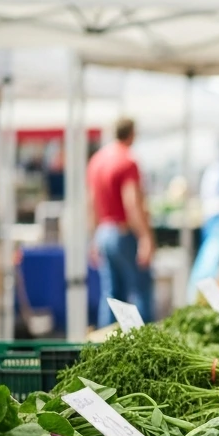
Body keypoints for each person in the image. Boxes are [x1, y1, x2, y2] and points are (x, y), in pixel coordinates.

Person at [87, 117, 155, 326]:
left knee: (111, 295)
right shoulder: (127, 161)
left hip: (104, 231)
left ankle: (105, 344)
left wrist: (94, 237)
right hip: (123, 232)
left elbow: (91, 202)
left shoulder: (96, 161)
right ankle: (146, 347)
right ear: (132, 134)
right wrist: (145, 237)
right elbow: (132, 202)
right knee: (140, 290)